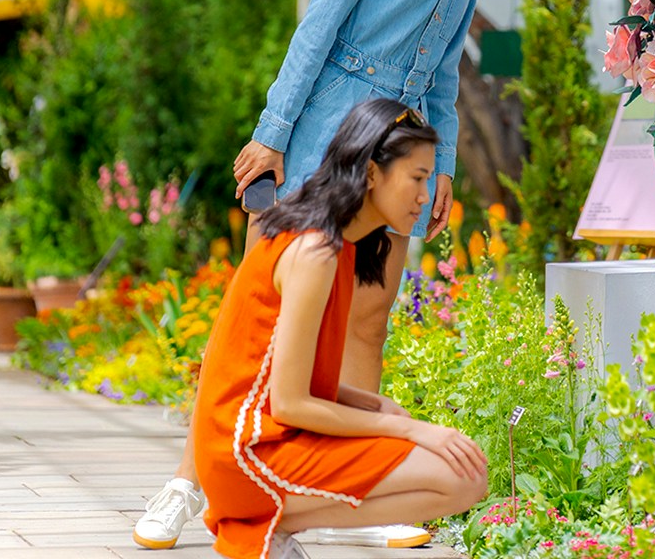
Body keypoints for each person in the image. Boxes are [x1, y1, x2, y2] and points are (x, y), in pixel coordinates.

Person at [134, 0, 509, 551]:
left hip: (398, 140)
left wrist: (437, 169)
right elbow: (319, 30)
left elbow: (442, 68)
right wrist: (273, 134)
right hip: (323, 133)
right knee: (255, 314)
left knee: (367, 312)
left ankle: (350, 477)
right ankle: (186, 483)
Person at [190, 98, 489, 559]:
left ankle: (269, 532)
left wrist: (374, 404)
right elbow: (290, 404)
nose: (425, 196)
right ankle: (260, 527)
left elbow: (287, 379)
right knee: (460, 476)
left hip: (248, 444)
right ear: (371, 174)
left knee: (461, 471)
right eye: (416, 178)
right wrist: (416, 432)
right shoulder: (315, 252)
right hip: (245, 455)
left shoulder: (338, 243)